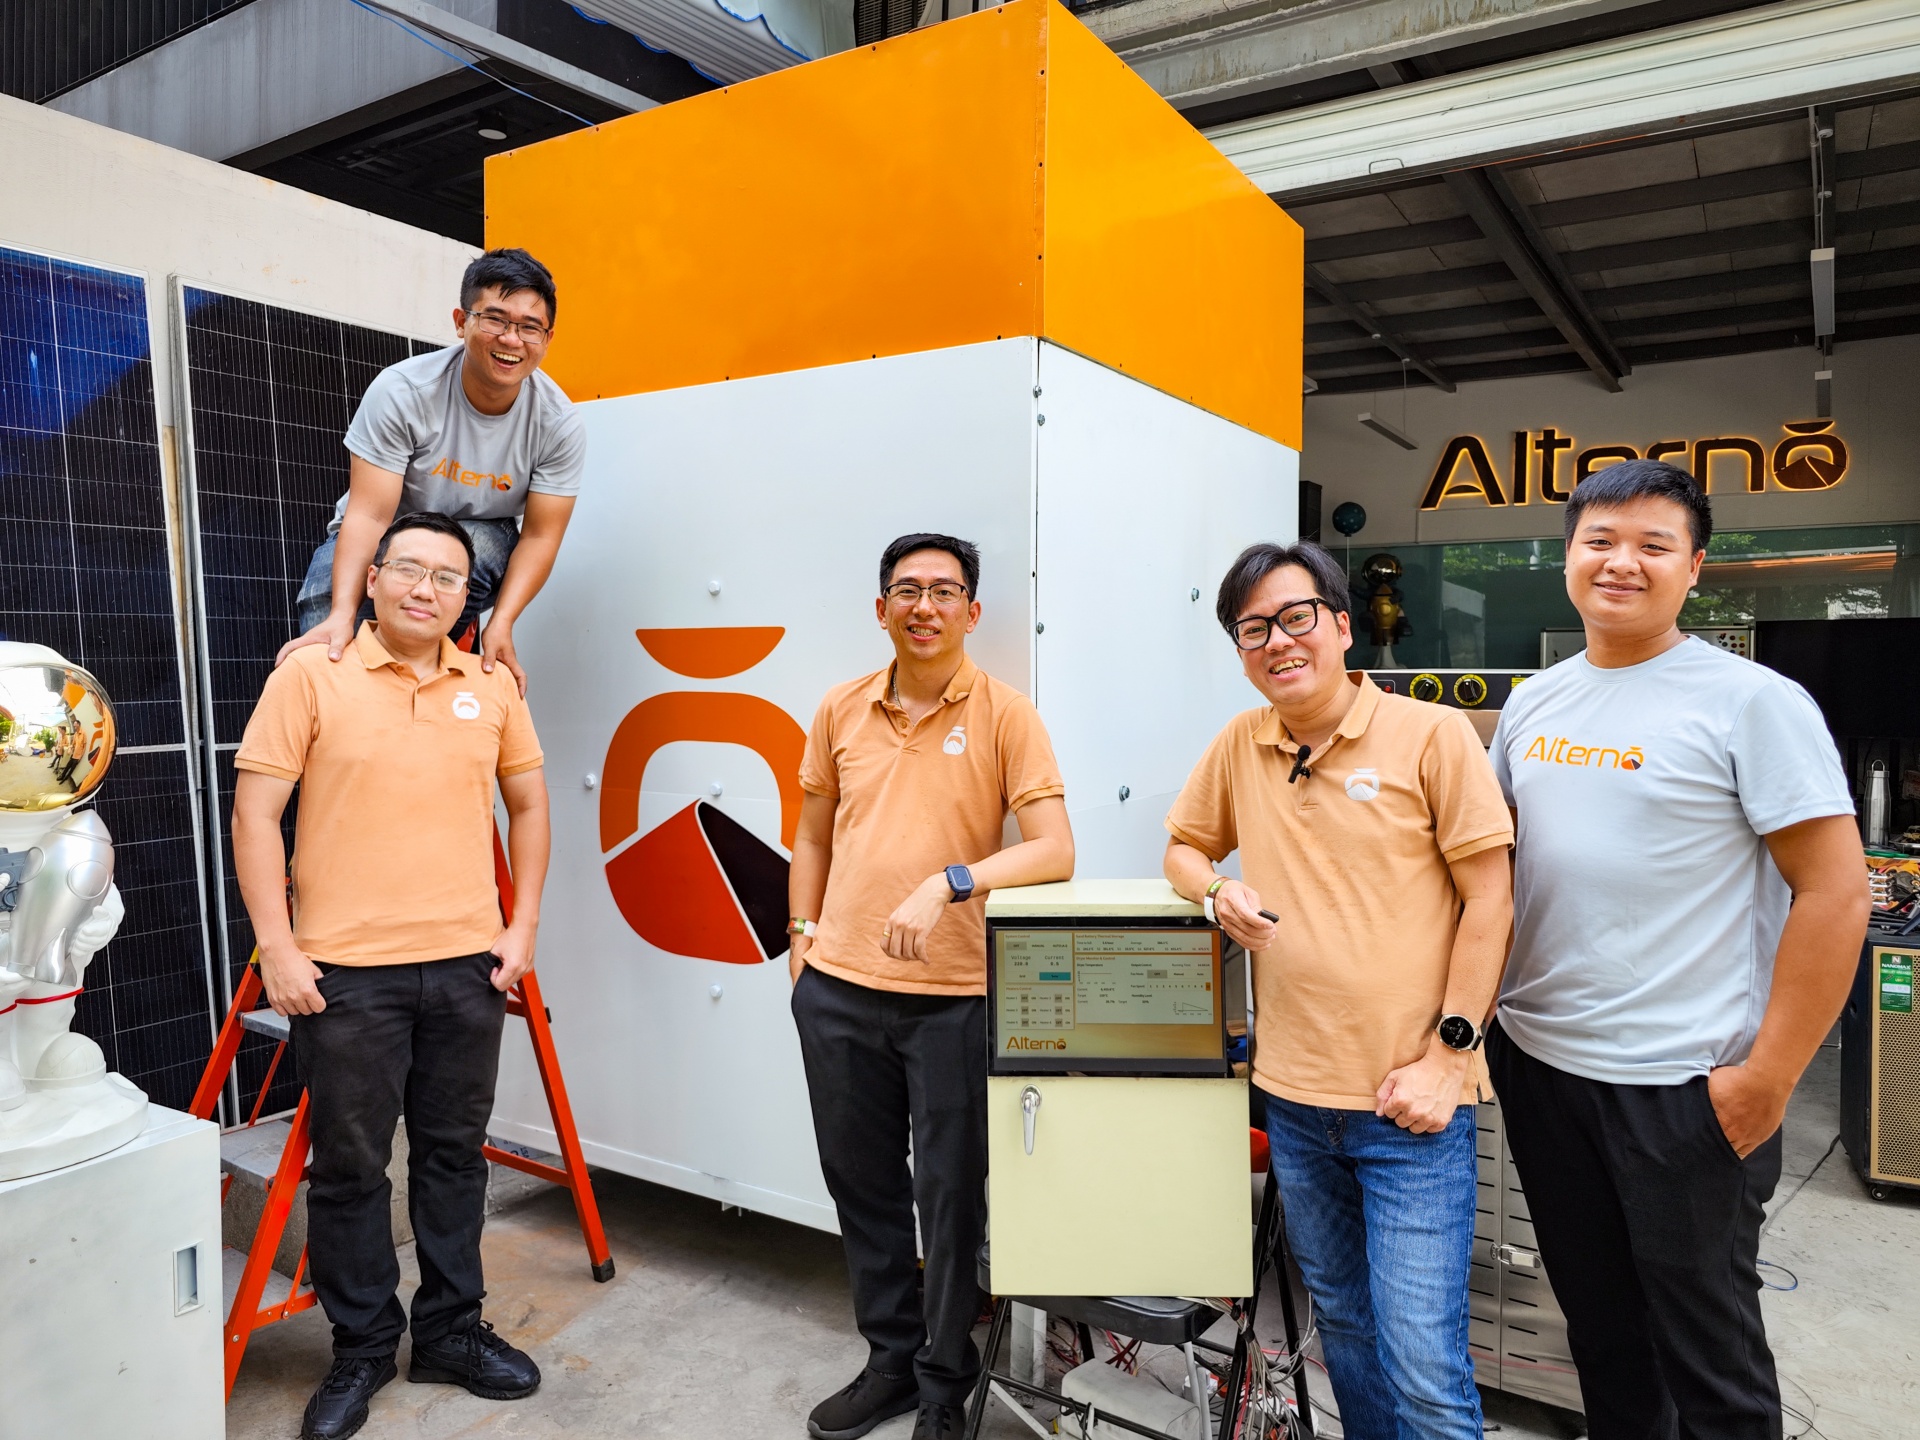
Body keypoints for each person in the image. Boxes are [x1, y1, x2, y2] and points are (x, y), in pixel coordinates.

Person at [1486, 460, 1867, 1439]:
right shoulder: (1535, 704)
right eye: (1600, 541)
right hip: (1542, 1069)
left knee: (1709, 1359)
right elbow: (1498, 871)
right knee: (1604, 1339)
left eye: (1653, 545)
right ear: (1568, 558)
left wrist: (1769, 1078)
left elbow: (1836, 892)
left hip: (1683, 1085)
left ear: (1694, 568)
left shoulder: (1752, 702)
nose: (1623, 562)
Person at [1163, 541, 1513, 1440]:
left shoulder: (1431, 735)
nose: (1277, 642)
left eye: (1296, 617)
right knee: (1346, 1332)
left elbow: (1491, 900)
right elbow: (1184, 848)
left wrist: (1448, 1059)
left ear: (1343, 625)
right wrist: (1215, 889)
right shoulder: (1241, 743)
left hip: (1411, 1107)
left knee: (1424, 1363)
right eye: (1253, 630)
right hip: (1293, 1100)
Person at [233, 511, 551, 1440]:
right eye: (409, 569)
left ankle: (450, 1332)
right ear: (370, 578)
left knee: (454, 1158)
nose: (427, 589)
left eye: (448, 577)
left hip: (467, 968)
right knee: (350, 1170)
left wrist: (522, 926)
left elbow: (529, 805)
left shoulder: (491, 684)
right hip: (345, 975)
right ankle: (364, 1346)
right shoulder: (311, 674)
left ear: (466, 599)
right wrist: (279, 947)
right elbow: (256, 815)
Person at [788, 533, 1075, 1440]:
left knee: (950, 1199)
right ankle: (889, 1362)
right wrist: (802, 939)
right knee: (861, 1183)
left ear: (972, 612)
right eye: (907, 591)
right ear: (882, 609)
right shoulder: (840, 707)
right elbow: (813, 834)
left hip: (953, 997)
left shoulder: (1005, 714)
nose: (925, 606)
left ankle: (945, 1382)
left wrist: (953, 881)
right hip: (838, 990)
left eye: (945, 592)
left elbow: (1056, 850)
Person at [277, 247, 585, 695]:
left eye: (529, 327)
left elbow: (540, 536)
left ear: (547, 338)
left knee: (470, 553)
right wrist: (342, 613)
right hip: (388, 528)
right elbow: (369, 514)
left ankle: (430, 675)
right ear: (461, 321)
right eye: (495, 320)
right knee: (329, 621)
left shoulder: (558, 423)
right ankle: (339, 706)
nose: (511, 339)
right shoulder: (403, 391)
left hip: (482, 538)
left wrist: (501, 623)